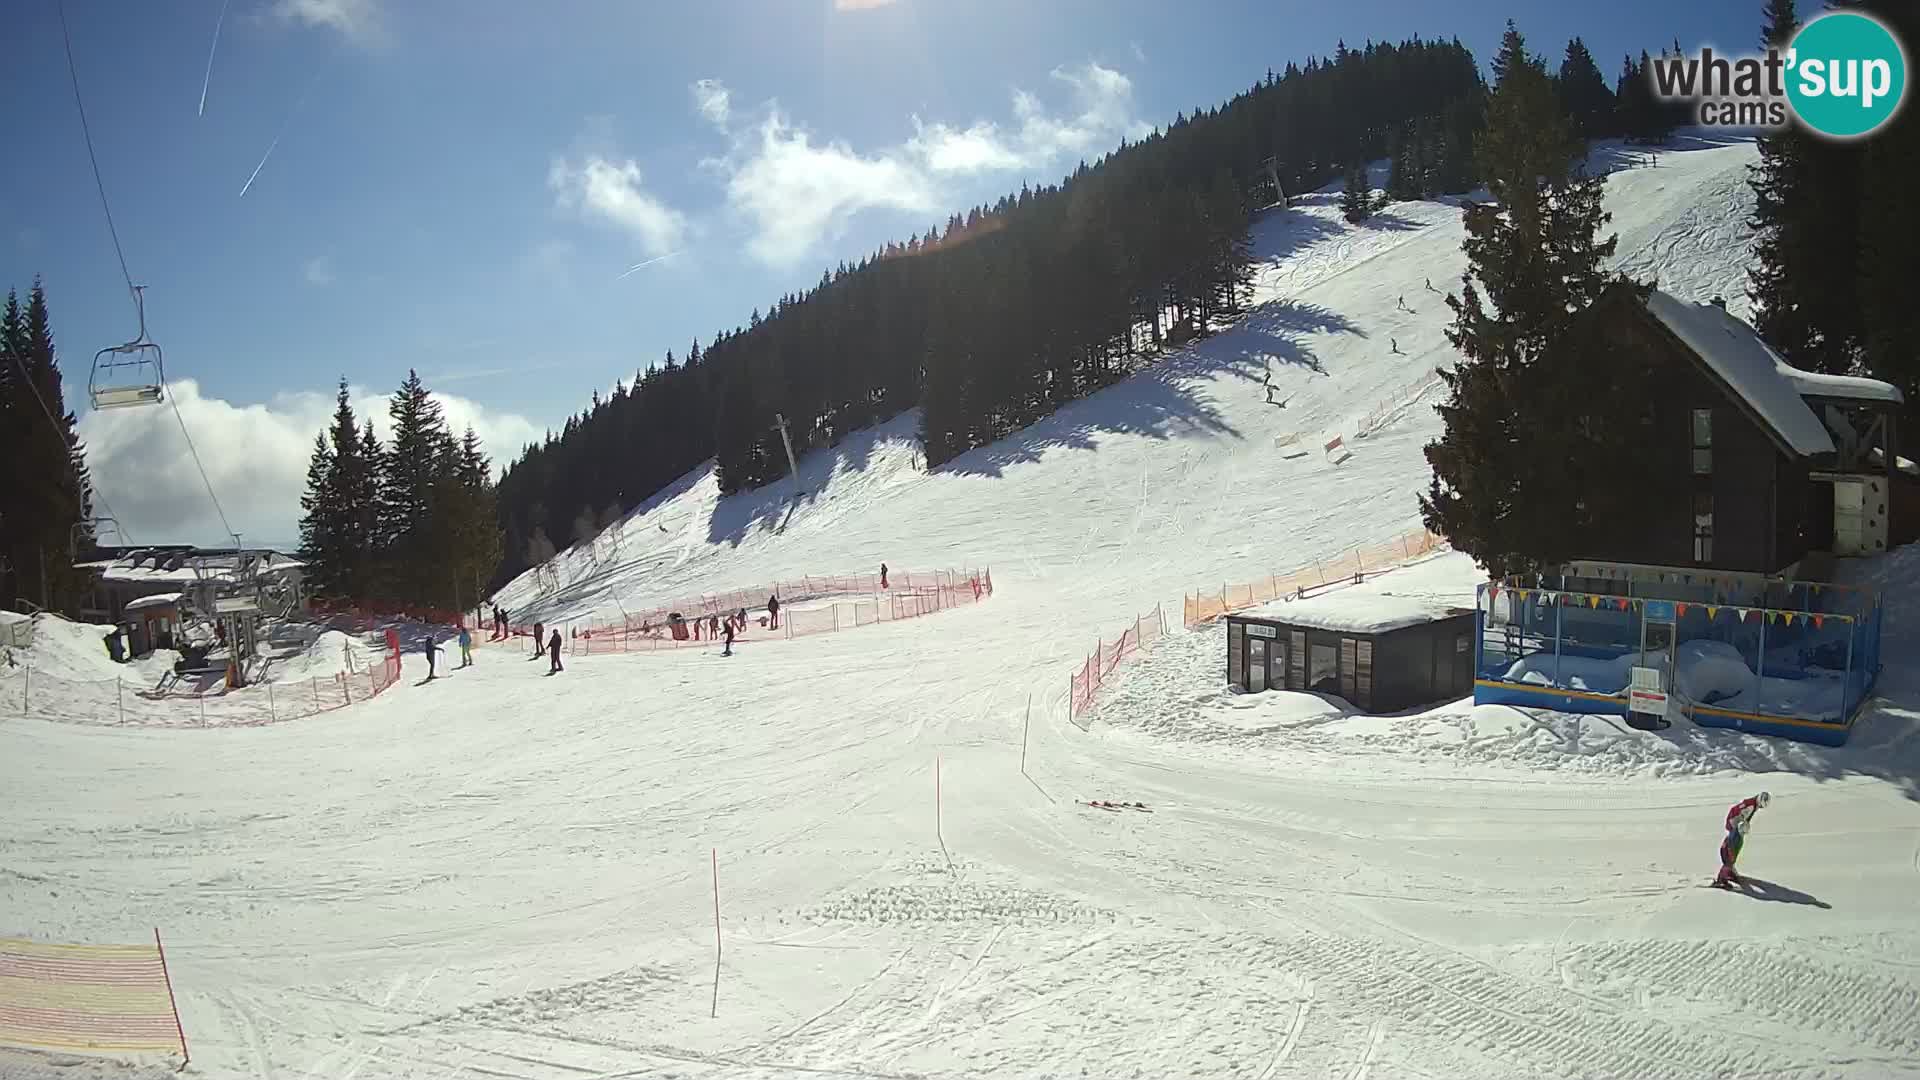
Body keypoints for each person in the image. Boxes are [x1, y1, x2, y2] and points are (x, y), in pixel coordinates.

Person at [1714, 791, 1770, 887]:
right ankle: (1723, 877)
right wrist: (1734, 825)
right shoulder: (1750, 804)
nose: (1760, 808)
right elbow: (1734, 810)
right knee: (1732, 848)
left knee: (1737, 846)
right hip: (1735, 826)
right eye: (1761, 805)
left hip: (1739, 828)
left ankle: (1730, 870)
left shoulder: (1754, 805)